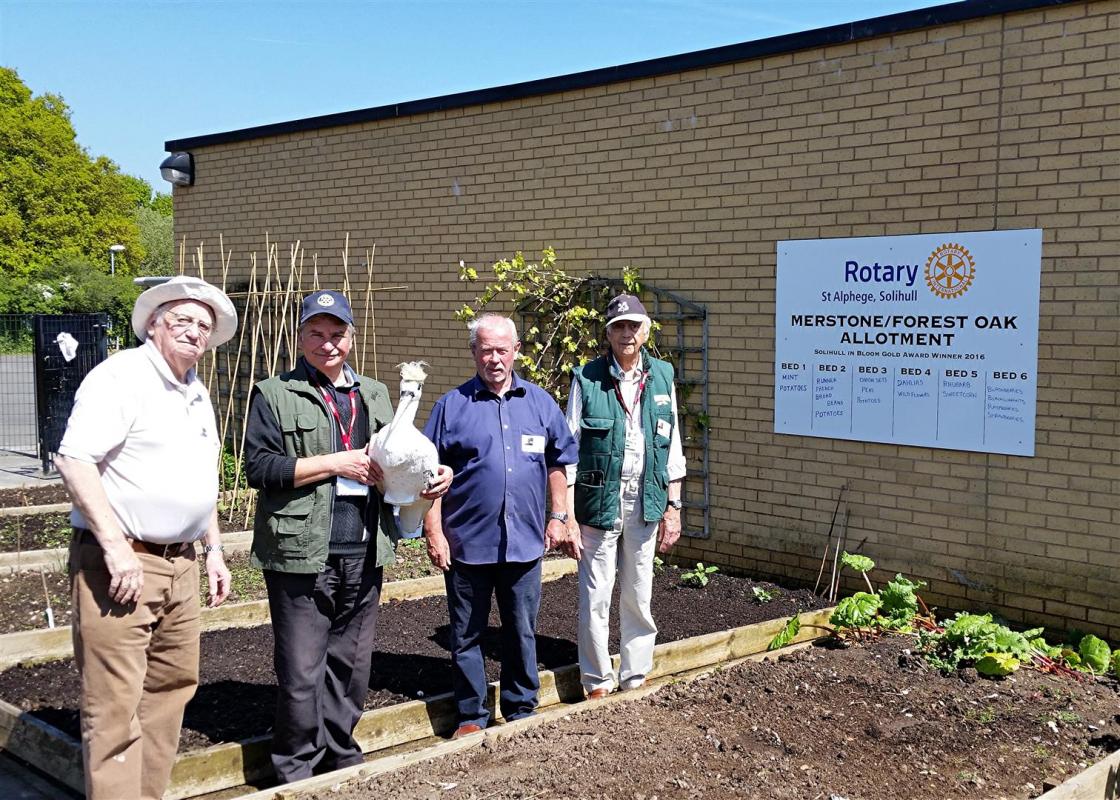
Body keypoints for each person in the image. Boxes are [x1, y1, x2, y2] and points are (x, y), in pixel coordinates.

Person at [244, 289, 452, 783]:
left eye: (337, 334)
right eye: (316, 334)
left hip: (364, 549)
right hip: (300, 554)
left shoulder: (376, 395)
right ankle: (295, 770)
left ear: (351, 339)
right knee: (300, 672)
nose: (327, 344)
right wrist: (333, 463)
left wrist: (433, 477)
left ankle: (340, 758)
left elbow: (398, 461)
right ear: (300, 337)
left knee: (351, 667)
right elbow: (259, 467)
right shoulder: (274, 392)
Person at [55, 276, 237, 800]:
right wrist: (114, 547)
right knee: (114, 709)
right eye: (182, 320)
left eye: (204, 326)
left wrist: (214, 551)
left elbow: (198, 481)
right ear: (153, 323)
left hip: (179, 564)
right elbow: (74, 459)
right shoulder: (122, 377)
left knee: (170, 692)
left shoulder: (195, 390)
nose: (195, 332)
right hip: (123, 564)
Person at [422, 313, 578, 738]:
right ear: (474, 352)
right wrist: (434, 532)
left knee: (521, 632)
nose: (494, 358)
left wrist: (560, 515)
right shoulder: (450, 407)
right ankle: (471, 715)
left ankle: (521, 708)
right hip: (466, 544)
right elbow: (427, 478)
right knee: (466, 635)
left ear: (516, 351)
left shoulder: (540, 403)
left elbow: (559, 462)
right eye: (486, 349)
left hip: (525, 543)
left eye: (502, 349)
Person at [565, 293, 686, 699]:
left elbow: (673, 449)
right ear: (608, 333)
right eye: (618, 326)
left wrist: (674, 505)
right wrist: (563, 513)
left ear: (645, 331)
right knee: (595, 594)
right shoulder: (587, 378)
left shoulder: (663, 376)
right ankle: (597, 682)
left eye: (634, 325)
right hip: (599, 501)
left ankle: (635, 676)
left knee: (639, 593)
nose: (626, 333)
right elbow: (568, 450)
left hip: (645, 499)